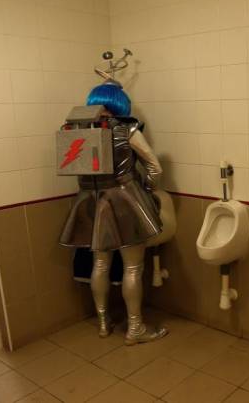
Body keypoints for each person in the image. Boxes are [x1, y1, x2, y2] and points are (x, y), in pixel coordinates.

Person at [58, 50, 168, 345]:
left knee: (100, 265)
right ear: (120, 102)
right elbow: (155, 167)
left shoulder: (77, 132)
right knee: (133, 267)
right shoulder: (127, 129)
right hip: (125, 200)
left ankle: (104, 323)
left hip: (90, 201)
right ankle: (135, 329)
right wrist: (148, 189)